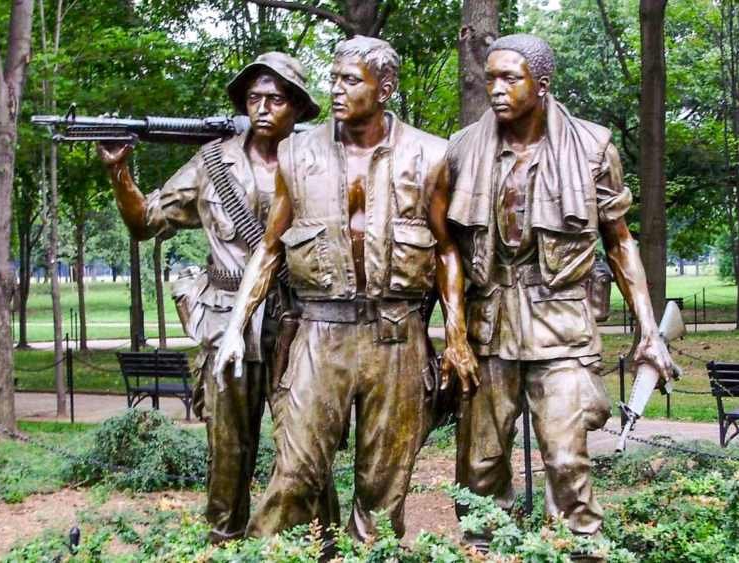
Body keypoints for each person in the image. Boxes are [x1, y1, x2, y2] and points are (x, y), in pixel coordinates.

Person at [213, 36, 478, 541]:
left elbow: (447, 249)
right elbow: (269, 249)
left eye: (349, 80)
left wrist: (456, 335)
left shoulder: (430, 154)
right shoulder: (296, 152)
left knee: (383, 488)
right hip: (319, 334)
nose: (335, 89)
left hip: (396, 338)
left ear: (386, 88)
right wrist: (235, 327)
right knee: (294, 473)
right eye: (333, 78)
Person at [440, 34, 677, 546]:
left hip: (561, 321)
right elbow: (446, 250)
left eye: (510, 78)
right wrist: (452, 333)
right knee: (480, 462)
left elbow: (619, 243)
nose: (496, 90)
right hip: (489, 322)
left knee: (567, 459)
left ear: (541, 85)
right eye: (490, 79)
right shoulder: (461, 149)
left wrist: (649, 329)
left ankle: (578, 551)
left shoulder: (592, 147)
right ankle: (484, 550)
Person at [96, 52, 335, 543]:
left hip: (301, 318)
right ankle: (223, 541)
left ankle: (321, 542)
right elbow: (143, 223)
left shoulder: (320, 159)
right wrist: (120, 172)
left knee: (306, 443)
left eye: (275, 98)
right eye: (253, 99)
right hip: (228, 320)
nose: (263, 108)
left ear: (297, 107)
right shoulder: (212, 162)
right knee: (228, 447)